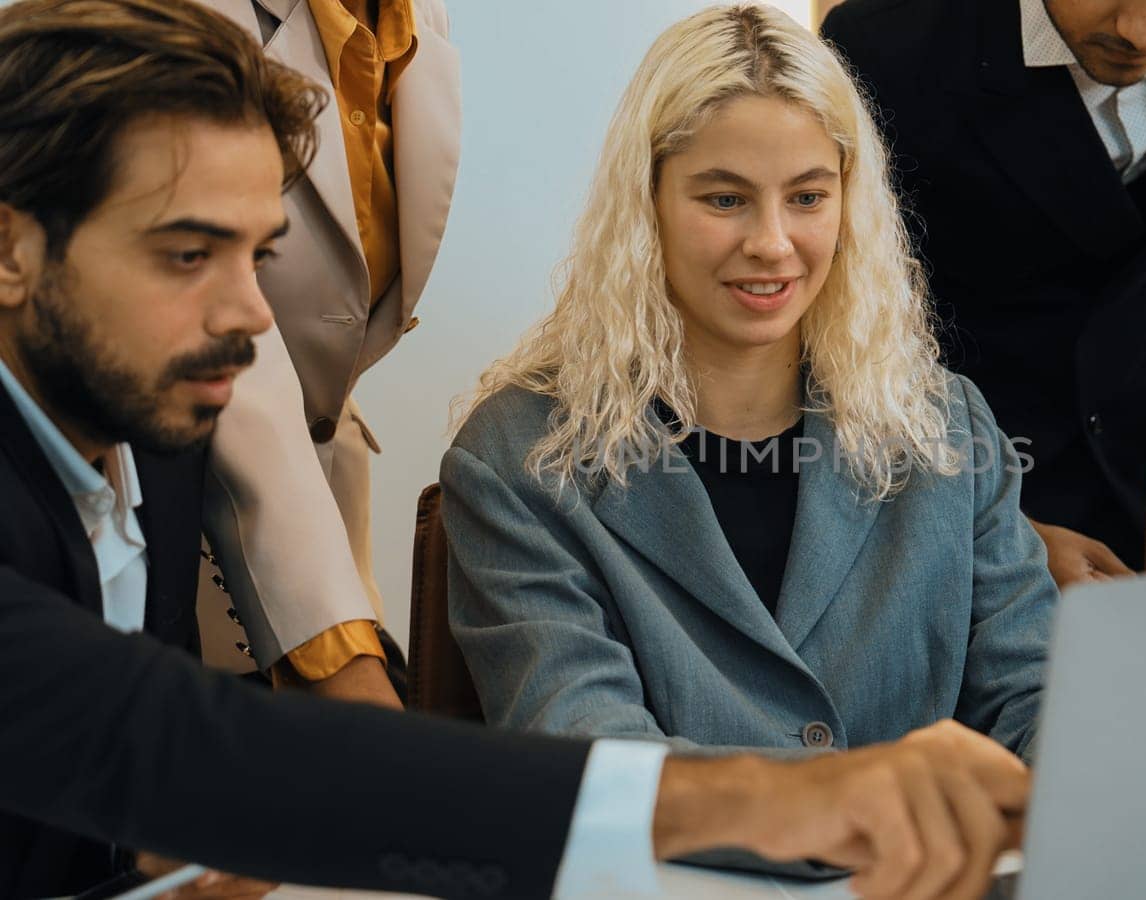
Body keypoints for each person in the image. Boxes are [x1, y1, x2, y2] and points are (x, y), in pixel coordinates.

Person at [0, 2, 1028, 898]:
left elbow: (128, 782)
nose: (249, 315)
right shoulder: (517, 451)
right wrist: (789, 798)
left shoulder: (156, 453)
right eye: (188, 254)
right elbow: (172, 742)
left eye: (259, 255)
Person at [444, 4, 1055, 764]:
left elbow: (1040, 700)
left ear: (848, 204)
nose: (772, 244)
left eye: (807, 197)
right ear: (647, 206)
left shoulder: (949, 426)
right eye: (724, 198)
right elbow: (587, 752)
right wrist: (853, 802)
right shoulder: (516, 456)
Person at [819, 0, 1146, 584]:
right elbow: (848, 316)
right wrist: (992, 531)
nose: (1144, 33)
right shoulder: (883, 41)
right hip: (981, 445)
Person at [180, 0, 464, 706]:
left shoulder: (413, 16)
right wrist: (340, 655)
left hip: (325, 519)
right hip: (177, 525)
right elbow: (216, 310)